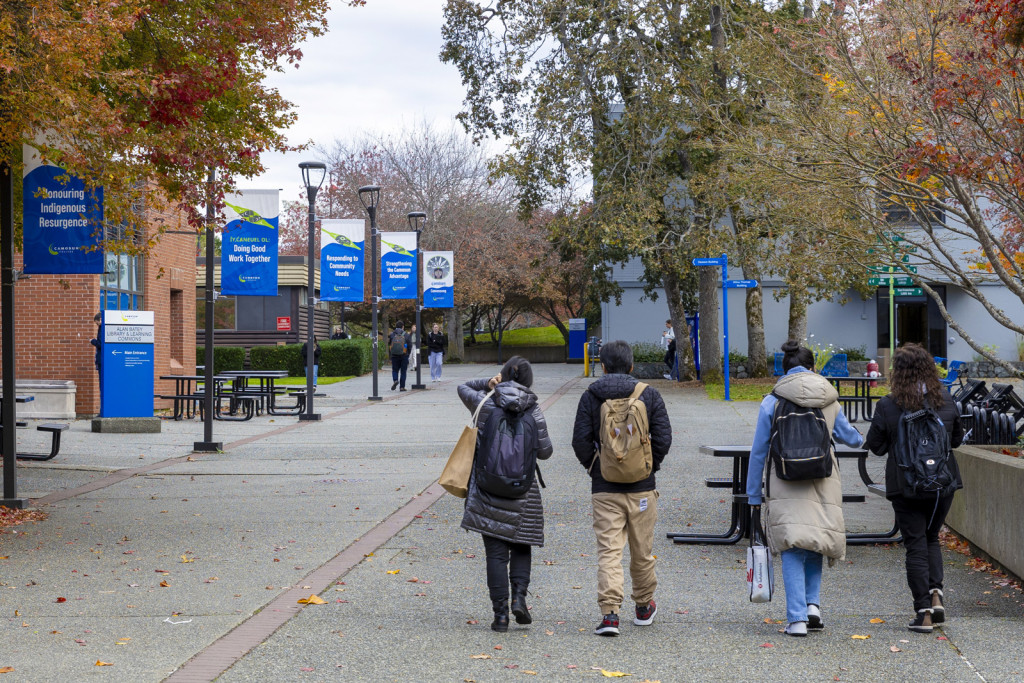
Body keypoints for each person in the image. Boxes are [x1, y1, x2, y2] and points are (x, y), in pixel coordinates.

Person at [746, 340, 864, 637]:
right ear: (813, 368)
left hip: (784, 480)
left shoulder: (771, 400)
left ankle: (796, 620)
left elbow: (759, 452)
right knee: (816, 540)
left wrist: (753, 495)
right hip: (823, 479)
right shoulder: (829, 398)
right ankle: (813, 606)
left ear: (783, 370)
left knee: (791, 544)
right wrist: (859, 437)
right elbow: (851, 438)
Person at [571, 340, 673, 636]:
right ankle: (643, 606)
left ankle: (610, 615)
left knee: (609, 552)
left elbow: (580, 441)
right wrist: (649, 468)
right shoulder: (649, 394)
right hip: (642, 489)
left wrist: (596, 468)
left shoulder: (591, 396)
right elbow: (663, 439)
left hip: (605, 489)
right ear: (631, 366)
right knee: (642, 551)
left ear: (602, 366)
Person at [865, 343, 963, 633]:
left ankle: (923, 613)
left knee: (915, 545)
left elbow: (877, 446)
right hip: (942, 485)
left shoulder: (888, 405)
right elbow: (955, 440)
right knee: (931, 538)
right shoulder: (945, 400)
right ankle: (936, 594)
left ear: (899, 372)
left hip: (906, 485)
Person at [458, 357, 553, 632]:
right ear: (529, 380)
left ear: (502, 375)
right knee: (522, 544)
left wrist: (486, 383)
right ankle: (519, 599)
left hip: (488, 489)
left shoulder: (486, 404)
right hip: (523, 491)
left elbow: (462, 386)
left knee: (496, 554)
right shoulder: (534, 411)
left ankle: (500, 615)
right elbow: (545, 452)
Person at [388, 321, 410, 391]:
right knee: (403, 371)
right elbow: (410, 346)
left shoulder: (392, 334)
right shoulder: (406, 335)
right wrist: (407, 353)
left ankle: (395, 380)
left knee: (395, 370)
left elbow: (390, 345)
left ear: (396, 326)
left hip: (394, 355)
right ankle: (402, 387)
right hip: (404, 355)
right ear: (403, 326)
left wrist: (390, 356)